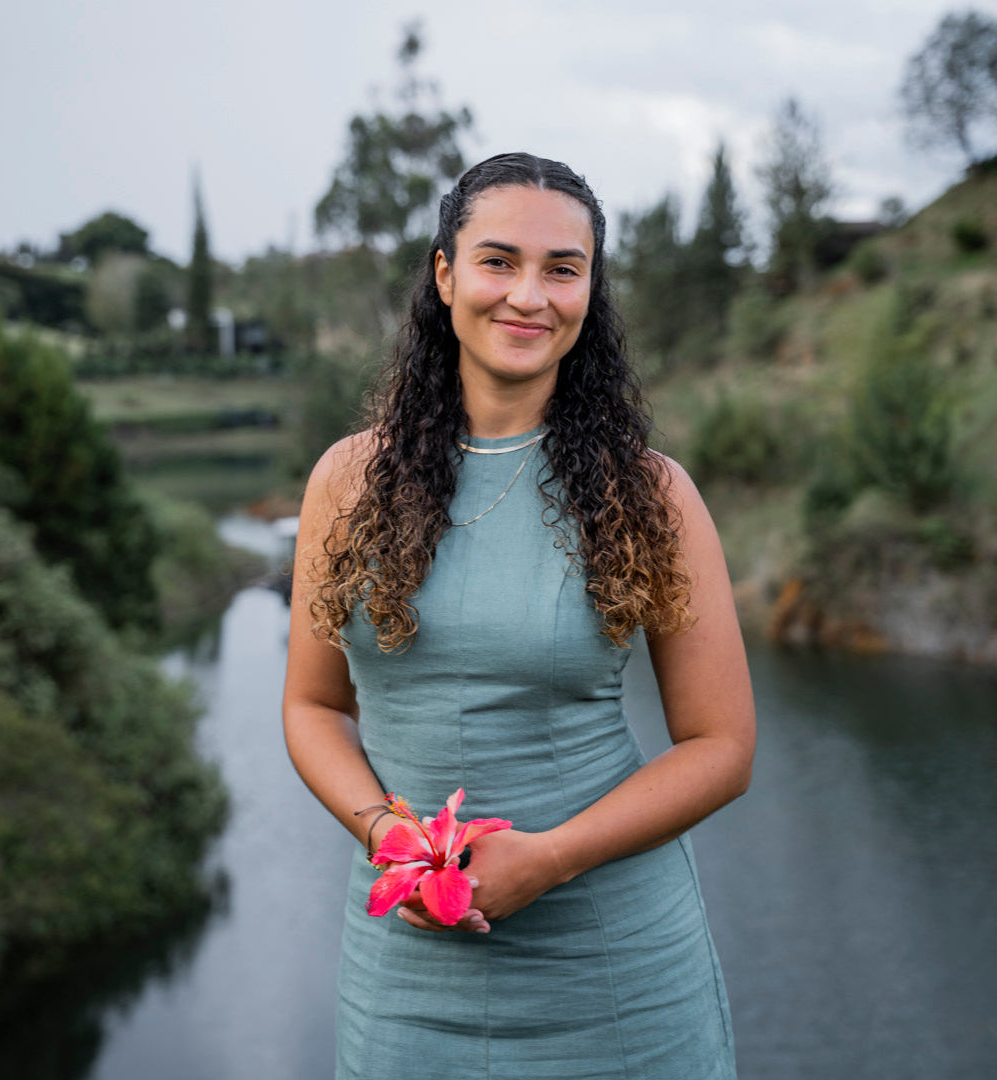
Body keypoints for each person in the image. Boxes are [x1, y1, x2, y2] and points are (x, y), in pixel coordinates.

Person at [283, 151, 756, 1080]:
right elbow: (312, 708)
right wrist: (388, 835)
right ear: (446, 274)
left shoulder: (649, 495)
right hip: (406, 968)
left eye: (562, 269)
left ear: (591, 291)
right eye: (499, 261)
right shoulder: (347, 480)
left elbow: (722, 748)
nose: (529, 296)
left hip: (615, 971)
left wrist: (551, 859)